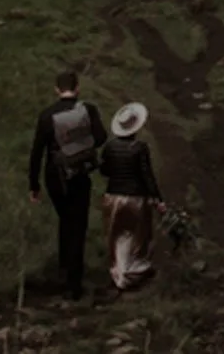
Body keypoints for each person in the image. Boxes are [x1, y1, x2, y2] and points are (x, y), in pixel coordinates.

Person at [28, 69, 108, 301]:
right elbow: (101, 137)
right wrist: (81, 144)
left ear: (56, 89)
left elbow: (36, 152)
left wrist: (34, 185)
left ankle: (64, 270)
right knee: (78, 225)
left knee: (65, 220)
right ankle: (74, 284)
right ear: (78, 87)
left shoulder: (46, 115)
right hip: (79, 174)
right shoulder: (88, 109)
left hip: (54, 175)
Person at [99, 102, 165, 291]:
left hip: (113, 197)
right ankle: (133, 272)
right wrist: (157, 198)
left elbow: (104, 170)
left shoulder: (110, 147)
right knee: (138, 237)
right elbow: (147, 175)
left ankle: (119, 273)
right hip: (136, 198)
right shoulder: (140, 148)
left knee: (116, 236)